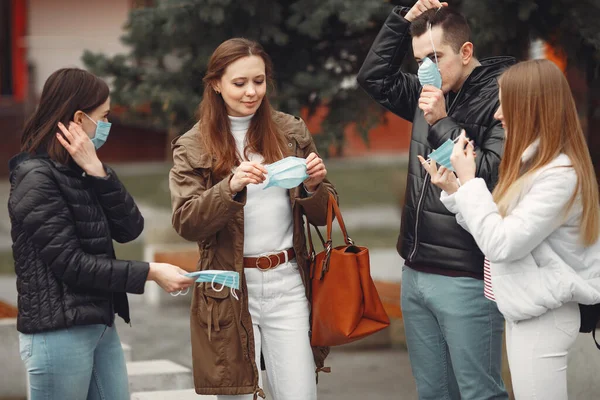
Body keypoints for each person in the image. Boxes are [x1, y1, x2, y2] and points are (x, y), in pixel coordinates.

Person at [356, 2, 515, 399]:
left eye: (434, 57)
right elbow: (374, 79)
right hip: (416, 270)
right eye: (419, 61)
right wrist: (401, 21)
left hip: (466, 276)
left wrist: (442, 121)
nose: (426, 69)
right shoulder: (428, 89)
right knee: (433, 392)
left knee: (479, 392)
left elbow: (490, 172)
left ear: (465, 52)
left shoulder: (503, 97)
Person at [9, 68, 195, 400]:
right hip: (58, 335)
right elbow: (71, 265)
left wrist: (98, 171)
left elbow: (130, 228)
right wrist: (151, 272)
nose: (108, 125)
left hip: (99, 327)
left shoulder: (82, 171)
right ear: (79, 118)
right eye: (104, 116)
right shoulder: (35, 178)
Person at [169, 38, 337, 400]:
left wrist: (313, 186)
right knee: (240, 394)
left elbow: (324, 216)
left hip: (288, 281)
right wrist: (229, 186)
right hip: (228, 287)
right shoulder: (193, 144)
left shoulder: (290, 131)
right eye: (239, 83)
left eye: (258, 81)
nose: (251, 92)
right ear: (216, 83)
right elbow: (187, 222)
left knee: (300, 393)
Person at [423, 58, 600, 400]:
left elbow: (501, 244)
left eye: (505, 102)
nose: (498, 114)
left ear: (530, 107)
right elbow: (492, 228)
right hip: (527, 313)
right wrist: (457, 191)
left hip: (543, 319)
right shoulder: (532, 166)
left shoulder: (558, 176)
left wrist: (472, 181)